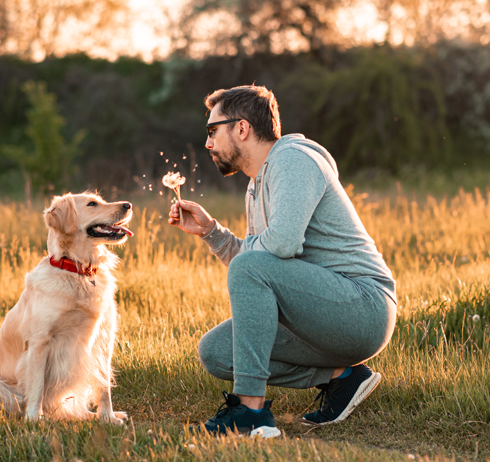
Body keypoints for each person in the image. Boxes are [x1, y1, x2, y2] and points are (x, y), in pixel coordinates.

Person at [168, 85, 397, 438]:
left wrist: (243, 252)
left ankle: (250, 414)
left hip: (363, 309)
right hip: (320, 316)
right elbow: (261, 262)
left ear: (241, 128)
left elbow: (282, 244)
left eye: (213, 131)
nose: (208, 143)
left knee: (249, 267)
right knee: (215, 351)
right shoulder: (256, 184)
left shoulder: (293, 160)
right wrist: (212, 232)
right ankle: (343, 379)